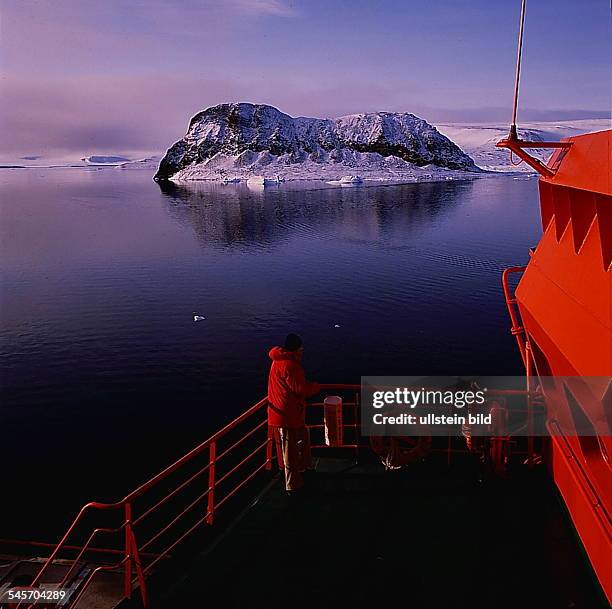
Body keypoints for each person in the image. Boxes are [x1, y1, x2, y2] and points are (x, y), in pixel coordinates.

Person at [267, 333, 320, 494]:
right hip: (286, 415)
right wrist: (316, 387)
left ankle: (304, 466)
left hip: (286, 411)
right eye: (301, 347)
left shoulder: (278, 361)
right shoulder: (290, 365)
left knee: (302, 436)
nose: (303, 349)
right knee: (289, 449)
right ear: (296, 348)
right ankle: (292, 485)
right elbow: (300, 389)